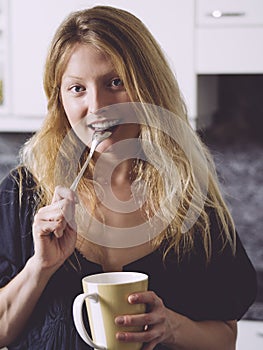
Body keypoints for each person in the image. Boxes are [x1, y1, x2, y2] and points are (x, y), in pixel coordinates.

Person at [0, 5, 257, 350]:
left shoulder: (191, 201)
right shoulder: (20, 195)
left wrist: (172, 327)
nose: (98, 106)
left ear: (148, 88)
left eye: (115, 82)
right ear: (59, 100)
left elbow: (225, 338)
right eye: (77, 88)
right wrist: (40, 268)